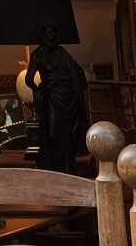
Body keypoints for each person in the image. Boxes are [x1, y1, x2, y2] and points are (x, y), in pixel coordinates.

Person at [25, 23, 90, 172]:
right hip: (52, 96)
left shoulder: (61, 52)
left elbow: (75, 68)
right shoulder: (38, 54)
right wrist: (36, 90)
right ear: (42, 36)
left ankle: (68, 165)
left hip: (69, 96)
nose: (51, 36)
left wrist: (81, 81)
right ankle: (54, 165)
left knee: (69, 132)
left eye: (53, 33)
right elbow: (29, 78)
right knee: (53, 132)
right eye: (48, 33)